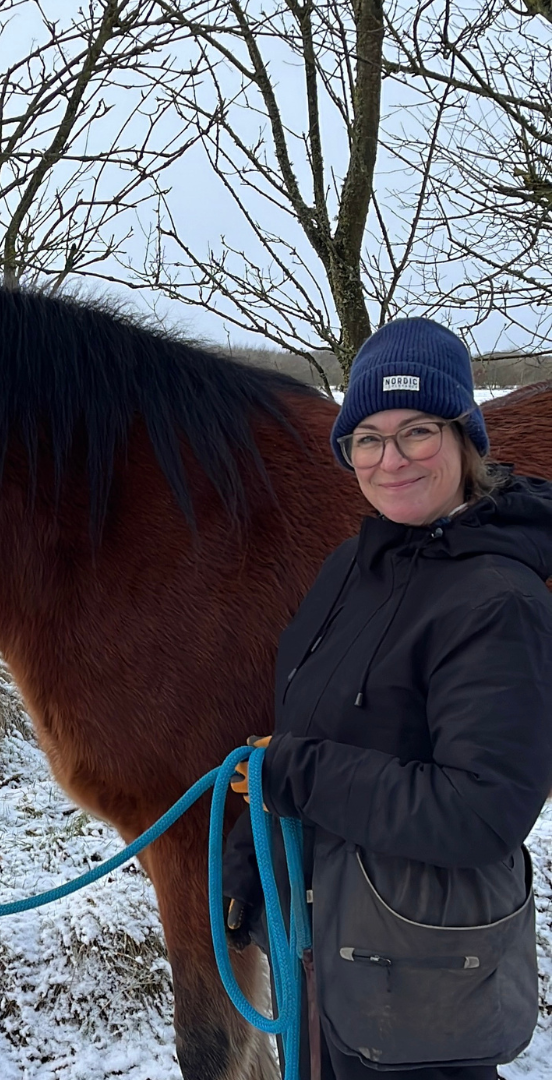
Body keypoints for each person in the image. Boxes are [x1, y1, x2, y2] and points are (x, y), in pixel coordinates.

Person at [223, 317, 552, 1080]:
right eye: (367, 437)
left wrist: (299, 777)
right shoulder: (351, 569)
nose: (390, 458)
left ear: (466, 437)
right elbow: (306, 733)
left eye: (417, 431)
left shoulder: (497, 600)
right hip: (327, 952)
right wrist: (254, 849)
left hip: (423, 979)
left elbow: (481, 811)